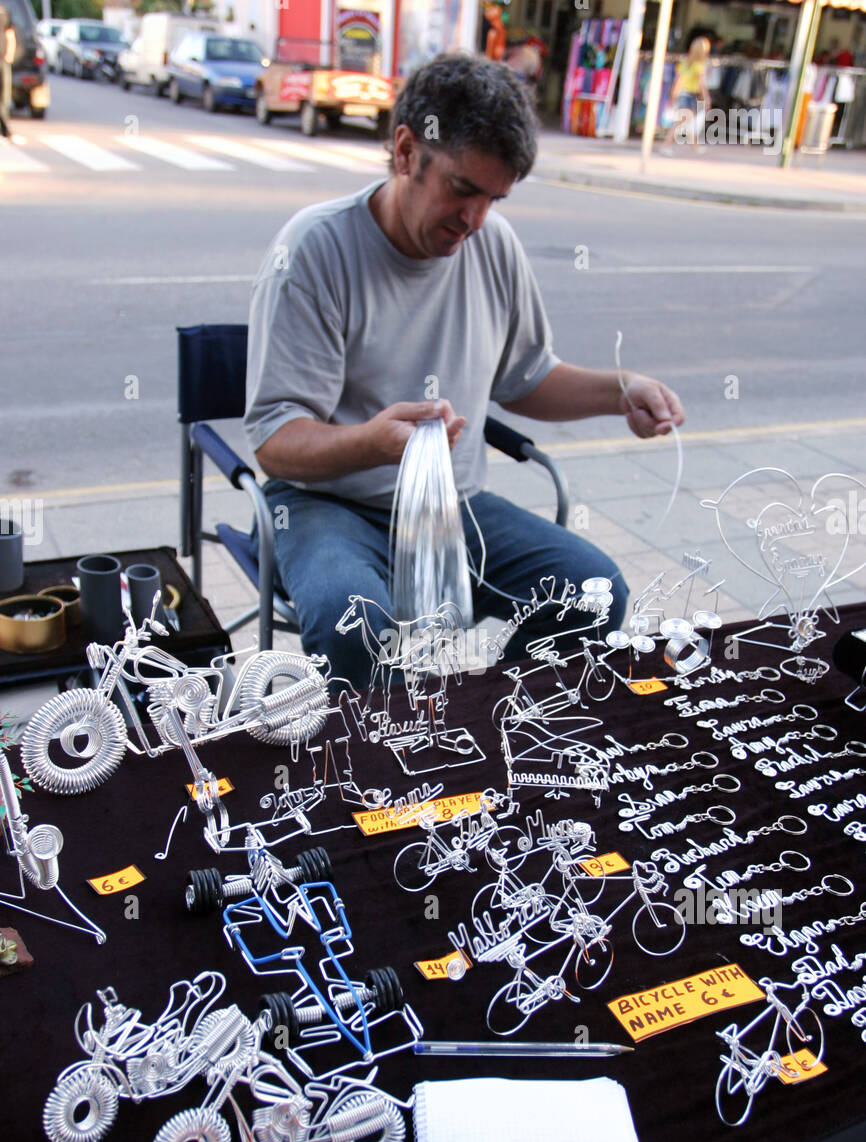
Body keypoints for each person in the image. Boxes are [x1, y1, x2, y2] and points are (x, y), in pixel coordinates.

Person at [244, 53, 684, 688]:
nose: (474, 221)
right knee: (354, 622)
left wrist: (624, 390)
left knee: (595, 596)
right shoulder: (315, 251)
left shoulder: (493, 244)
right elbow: (275, 442)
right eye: (461, 189)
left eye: (494, 198)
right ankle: (374, 775)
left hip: (456, 506)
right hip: (331, 505)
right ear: (404, 151)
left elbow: (527, 378)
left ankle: (505, 733)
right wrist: (372, 443)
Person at [661, 36, 711, 153]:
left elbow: (678, 80)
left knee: (687, 122)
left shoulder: (685, 63)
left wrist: (673, 94)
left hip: (683, 94)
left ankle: (695, 147)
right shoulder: (699, 65)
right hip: (690, 95)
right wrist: (707, 98)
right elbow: (701, 84)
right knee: (681, 122)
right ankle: (666, 145)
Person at [0, 4, 15, 141]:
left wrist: (9, 55)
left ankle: (4, 127)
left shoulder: (4, 11)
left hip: (2, 60)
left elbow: (10, 33)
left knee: (5, 96)